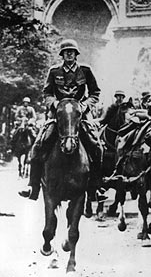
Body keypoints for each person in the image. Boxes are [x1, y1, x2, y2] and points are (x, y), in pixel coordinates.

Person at [18, 39, 103, 200]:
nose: (69, 54)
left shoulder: (85, 70)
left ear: (76, 54)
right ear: (62, 54)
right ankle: (33, 186)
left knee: (97, 146)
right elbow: (47, 93)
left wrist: (84, 106)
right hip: (58, 116)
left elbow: (95, 93)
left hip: (80, 116)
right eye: (66, 51)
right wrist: (54, 104)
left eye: (72, 51)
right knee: (38, 145)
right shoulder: (54, 71)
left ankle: (95, 188)